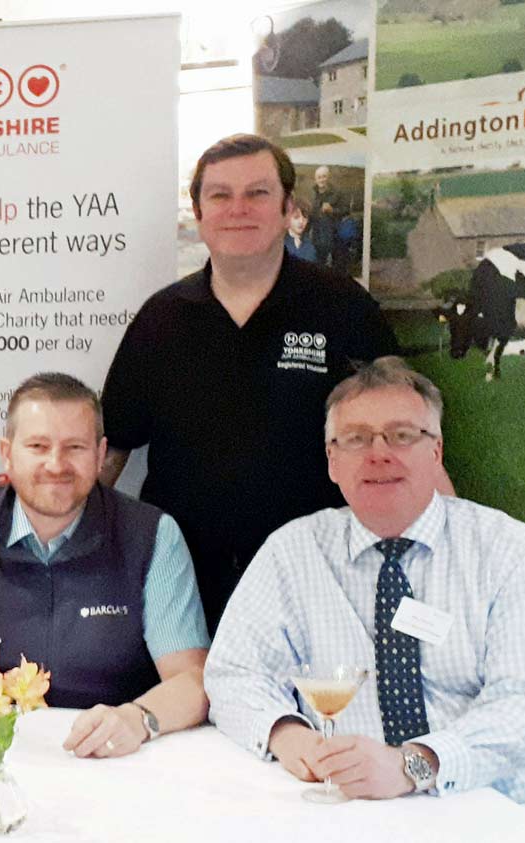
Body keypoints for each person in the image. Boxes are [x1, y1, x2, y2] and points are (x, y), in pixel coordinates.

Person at [205, 357, 525, 836]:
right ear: (332, 461)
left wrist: (412, 767)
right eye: (357, 439)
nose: (379, 453)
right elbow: (234, 673)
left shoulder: (515, 553)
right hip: (356, 804)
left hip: (519, 800)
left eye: (402, 435)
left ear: (436, 453)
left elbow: (524, 706)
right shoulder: (292, 552)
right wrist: (288, 735)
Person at [100, 133, 404, 633]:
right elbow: (112, 450)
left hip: (320, 578)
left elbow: (403, 434)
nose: (238, 209)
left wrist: (448, 552)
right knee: (191, 708)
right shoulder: (162, 319)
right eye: (220, 195)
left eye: (258, 193)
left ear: (289, 208)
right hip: (185, 586)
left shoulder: (342, 306)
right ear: (198, 215)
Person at [0, 373, 210, 758]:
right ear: (7, 453)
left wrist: (138, 718)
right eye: (38, 445)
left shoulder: (152, 536)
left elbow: (194, 682)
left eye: (75, 447)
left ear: (100, 455)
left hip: (115, 760)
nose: (56, 464)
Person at [309, 165, 347, 269]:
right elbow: (310, 215)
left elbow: (346, 210)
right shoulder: (312, 193)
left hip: (334, 235)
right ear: (315, 179)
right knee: (319, 264)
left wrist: (332, 210)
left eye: (324, 176)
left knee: (336, 266)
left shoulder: (337, 193)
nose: (322, 179)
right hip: (317, 236)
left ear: (328, 177)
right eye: (319, 177)